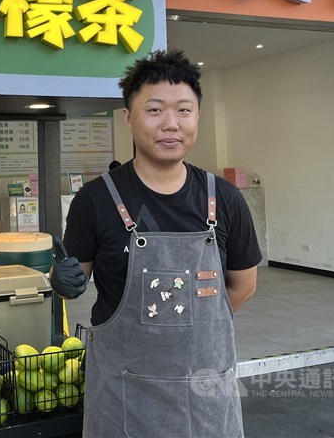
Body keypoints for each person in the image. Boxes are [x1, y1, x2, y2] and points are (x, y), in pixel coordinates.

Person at [50, 49, 262, 438]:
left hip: (206, 396)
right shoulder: (96, 199)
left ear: (198, 115)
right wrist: (61, 280)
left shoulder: (226, 198)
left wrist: (190, 324)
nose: (171, 124)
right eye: (154, 110)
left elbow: (243, 286)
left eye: (184, 110)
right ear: (128, 118)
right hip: (123, 394)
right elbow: (74, 277)